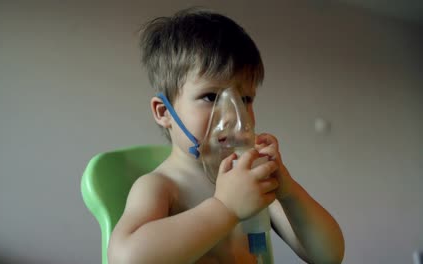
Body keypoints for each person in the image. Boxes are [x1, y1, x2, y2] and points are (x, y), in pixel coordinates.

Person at [108, 7, 344, 264]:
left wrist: (287, 191)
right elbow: (125, 258)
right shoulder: (163, 186)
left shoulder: (250, 180)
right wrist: (225, 208)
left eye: (245, 98)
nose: (234, 114)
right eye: (210, 97)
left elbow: (328, 257)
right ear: (164, 112)